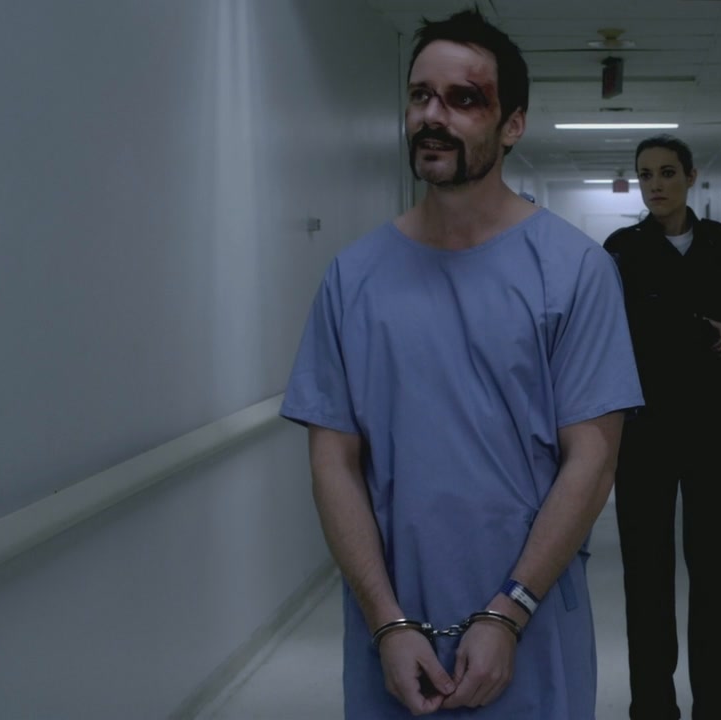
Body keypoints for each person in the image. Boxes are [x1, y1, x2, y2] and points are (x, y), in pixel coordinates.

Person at [279, 9, 644, 718]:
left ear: (512, 125)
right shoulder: (354, 279)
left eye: (463, 99)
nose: (432, 116)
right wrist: (386, 621)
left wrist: (510, 611)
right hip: (394, 640)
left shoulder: (573, 272)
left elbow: (593, 460)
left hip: (530, 629)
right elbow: (333, 462)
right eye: (420, 95)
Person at [603, 135, 721, 720]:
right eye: (645, 175)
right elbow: (611, 329)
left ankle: (715, 706)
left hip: (710, 424)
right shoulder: (623, 250)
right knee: (646, 574)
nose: (655, 185)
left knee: (717, 571)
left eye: (667, 173)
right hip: (645, 427)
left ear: (690, 177)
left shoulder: (717, 243)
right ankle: (652, 705)